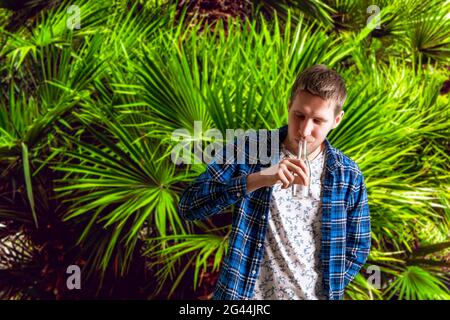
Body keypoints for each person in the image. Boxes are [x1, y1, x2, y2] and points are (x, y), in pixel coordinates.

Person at [178, 64, 371, 300]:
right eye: (299, 115)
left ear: (337, 120)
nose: (304, 129)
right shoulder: (250, 148)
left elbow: (358, 246)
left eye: (318, 121)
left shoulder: (347, 174)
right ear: (289, 106)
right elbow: (189, 206)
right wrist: (257, 179)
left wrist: (329, 286)